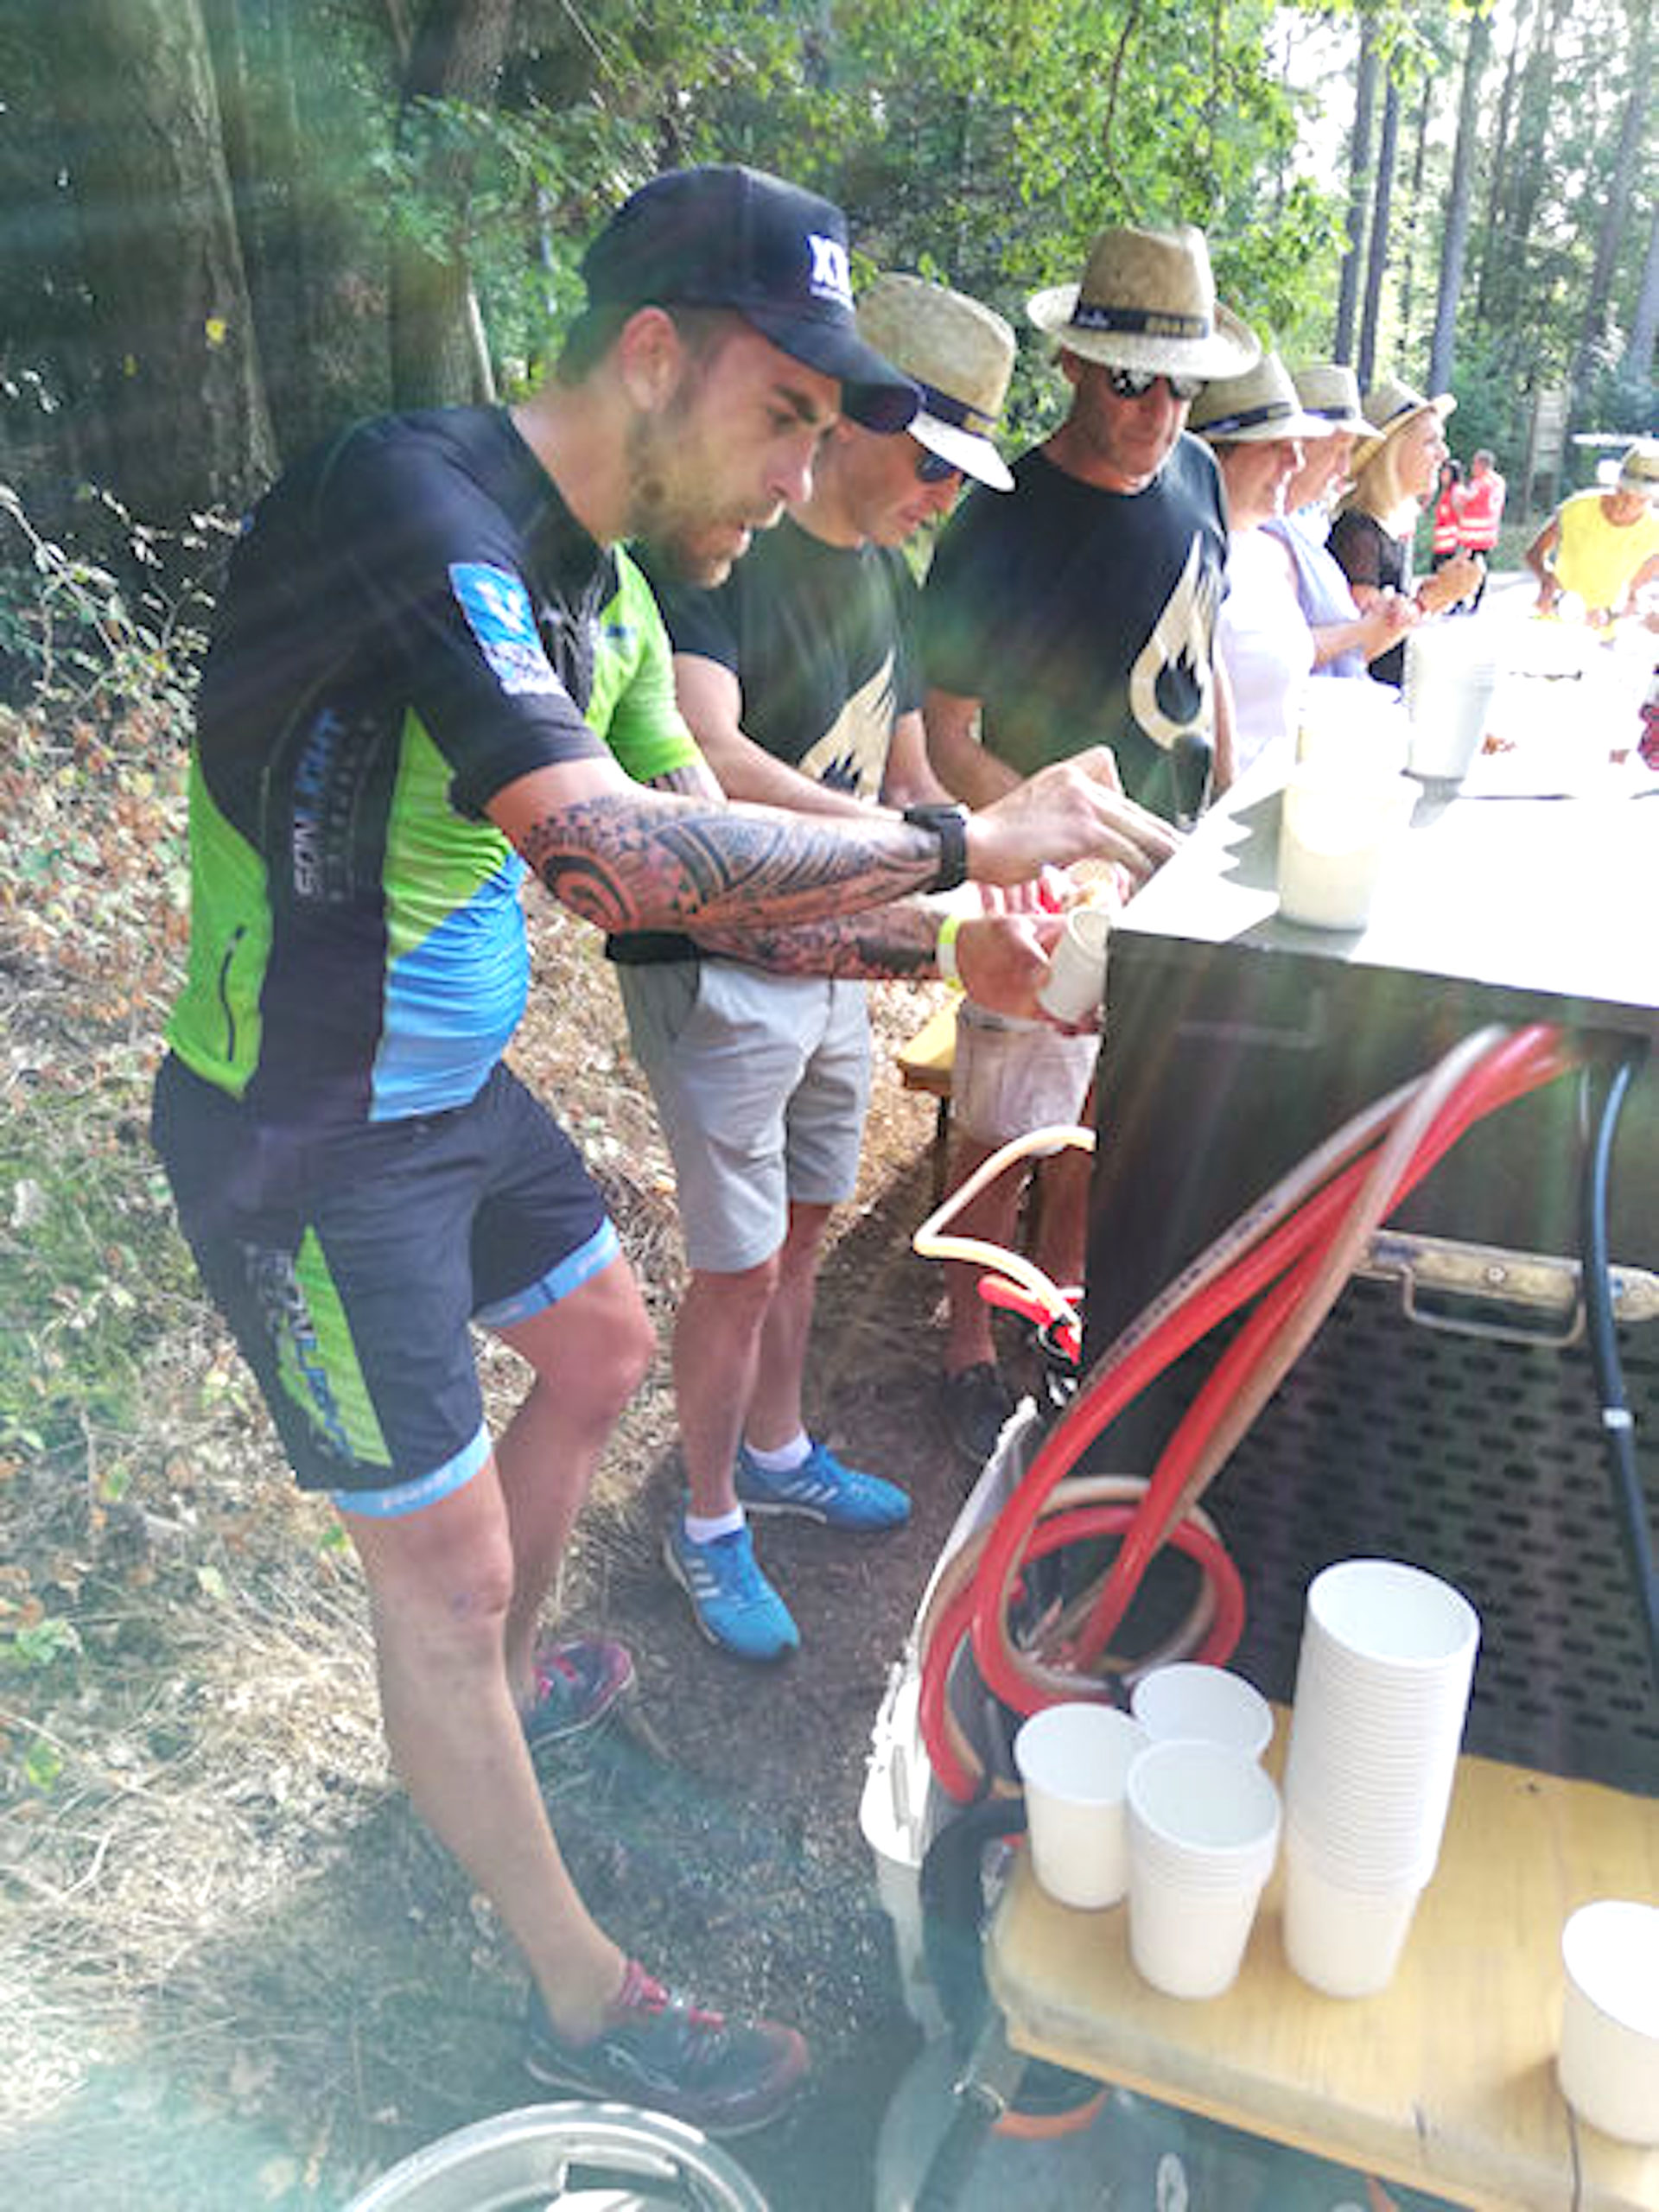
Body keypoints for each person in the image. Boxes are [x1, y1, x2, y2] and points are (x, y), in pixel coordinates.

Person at [147, 162, 1179, 2134]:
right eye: (790, 412)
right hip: (303, 1127)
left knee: (609, 1347)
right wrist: (964, 847)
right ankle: (579, 1993)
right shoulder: (414, 502)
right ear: (651, 354)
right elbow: (608, 850)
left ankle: (493, 1683)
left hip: (445, 1095)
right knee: (437, 1575)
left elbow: (701, 899)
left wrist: (964, 946)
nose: (809, 473)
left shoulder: (604, 595)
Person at [615, 273, 1017, 1659]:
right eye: (930, 461)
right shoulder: (723, 549)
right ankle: (707, 1515)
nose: (942, 498)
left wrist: (950, 848)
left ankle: (778, 1452)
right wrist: (933, 848)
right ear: (849, 416)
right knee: (731, 1263)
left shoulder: (889, 581)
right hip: (719, 957)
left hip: (835, 958)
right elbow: (709, 755)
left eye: (965, 476)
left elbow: (908, 771)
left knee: (801, 1223)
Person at [920, 221, 1257, 1464]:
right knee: (1006, 1108)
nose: (1161, 410)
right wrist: (1040, 836)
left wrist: (1221, 800)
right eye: (1131, 379)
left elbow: (1201, 649)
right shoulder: (1000, 524)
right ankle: (962, 1339)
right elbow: (948, 737)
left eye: (1184, 382)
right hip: (1037, 872)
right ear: (1071, 365)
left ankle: (1053, 1313)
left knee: (1108, 1116)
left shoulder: (1204, 481)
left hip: (1164, 866)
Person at [1190, 353, 1327, 772]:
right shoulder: (1181, 557)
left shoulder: (1266, 552)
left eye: (1299, 446)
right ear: (1215, 455)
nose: (1297, 462)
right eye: (1275, 445)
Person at [1266, 363, 1418, 682]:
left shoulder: (1308, 530)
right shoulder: (1265, 536)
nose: (1345, 467)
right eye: (1338, 450)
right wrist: (1363, 629)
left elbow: (1353, 652)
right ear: (1298, 447)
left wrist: (1388, 621)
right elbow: (1275, 653)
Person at [1329, 376, 1482, 688]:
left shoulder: (1384, 528)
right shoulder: (1358, 533)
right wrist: (1435, 598)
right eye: (1430, 442)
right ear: (1391, 453)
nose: (1443, 454)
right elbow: (1360, 651)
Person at [1525, 438, 1659, 626]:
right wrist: (1548, 581)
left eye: (1640, 499)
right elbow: (1534, 553)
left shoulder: (1654, 530)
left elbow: (1636, 591)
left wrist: (1632, 607)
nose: (1628, 504)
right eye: (1624, 494)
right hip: (1555, 620)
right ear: (1617, 484)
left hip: (1607, 631)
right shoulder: (1577, 508)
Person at [1455, 447, 1505, 611]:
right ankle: (1476, 602)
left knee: (1467, 569)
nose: (1472, 468)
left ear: (1481, 465)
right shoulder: (1499, 482)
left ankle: (1462, 601)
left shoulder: (1480, 483)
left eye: (1474, 464)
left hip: (1472, 535)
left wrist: (1458, 492)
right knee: (1482, 568)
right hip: (1489, 533)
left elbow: (1464, 500)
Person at [1431, 458, 1464, 571]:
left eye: (1446, 473)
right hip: (1442, 544)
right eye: (1442, 473)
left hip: (1451, 544)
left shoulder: (1457, 492)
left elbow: (1460, 515)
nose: (1443, 476)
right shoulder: (1445, 492)